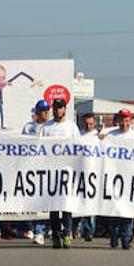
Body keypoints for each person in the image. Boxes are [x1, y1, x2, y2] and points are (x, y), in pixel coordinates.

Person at [101, 109, 134, 249]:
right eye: (121, 120)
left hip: (129, 178)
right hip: (114, 177)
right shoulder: (111, 134)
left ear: (130, 121)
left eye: (126, 120)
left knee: (128, 209)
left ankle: (126, 237)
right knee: (115, 209)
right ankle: (114, 236)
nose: (124, 123)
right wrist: (101, 138)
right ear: (118, 121)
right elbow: (99, 139)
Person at [40, 98, 80, 249]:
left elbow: (78, 147)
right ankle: (56, 235)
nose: (58, 111)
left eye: (60, 108)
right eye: (56, 108)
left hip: (67, 171)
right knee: (54, 206)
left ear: (65, 109)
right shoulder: (46, 127)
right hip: (51, 172)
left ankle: (67, 234)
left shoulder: (72, 127)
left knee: (67, 205)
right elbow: (40, 148)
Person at [21, 99, 51, 244]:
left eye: (47, 110)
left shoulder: (52, 127)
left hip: (45, 168)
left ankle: (40, 230)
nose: (46, 113)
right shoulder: (28, 127)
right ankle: (30, 227)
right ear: (37, 112)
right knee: (29, 199)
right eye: (43, 110)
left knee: (42, 201)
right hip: (30, 167)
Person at [79, 112, 98, 241]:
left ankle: (89, 230)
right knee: (80, 204)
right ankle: (81, 229)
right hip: (80, 172)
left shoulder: (99, 136)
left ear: (94, 123)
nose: (88, 125)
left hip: (94, 173)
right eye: (86, 123)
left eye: (91, 123)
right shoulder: (79, 135)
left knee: (91, 204)